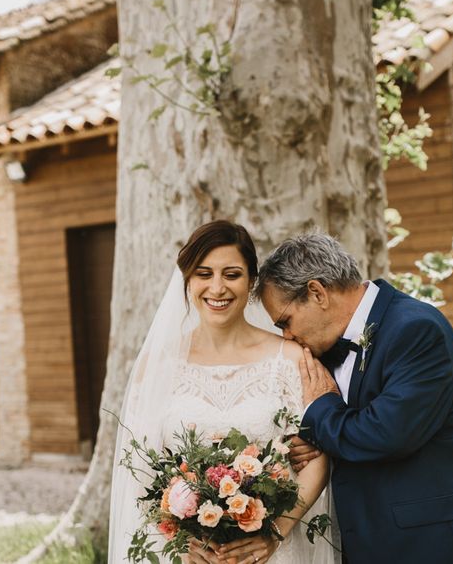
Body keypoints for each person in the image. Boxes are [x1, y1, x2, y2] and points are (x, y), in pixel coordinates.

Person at [258, 232, 453, 564]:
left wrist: (320, 412)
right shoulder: (325, 345)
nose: (287, 336)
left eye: (285, 321)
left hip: (433, 545)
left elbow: (386, 433)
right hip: (368, 544)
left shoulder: (416, 330)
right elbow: (344, 428)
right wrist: (317, 440)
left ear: (317, 292)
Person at [108, 221, 334, 564]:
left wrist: (273, 534)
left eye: (231, 274)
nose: (217, 287)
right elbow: (138, 471)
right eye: (203, 273)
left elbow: (317, 459)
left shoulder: (289, 360)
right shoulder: (158, 367)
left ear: (251, 281)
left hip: (272, 551)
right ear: (187, 280)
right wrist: (181, 541)